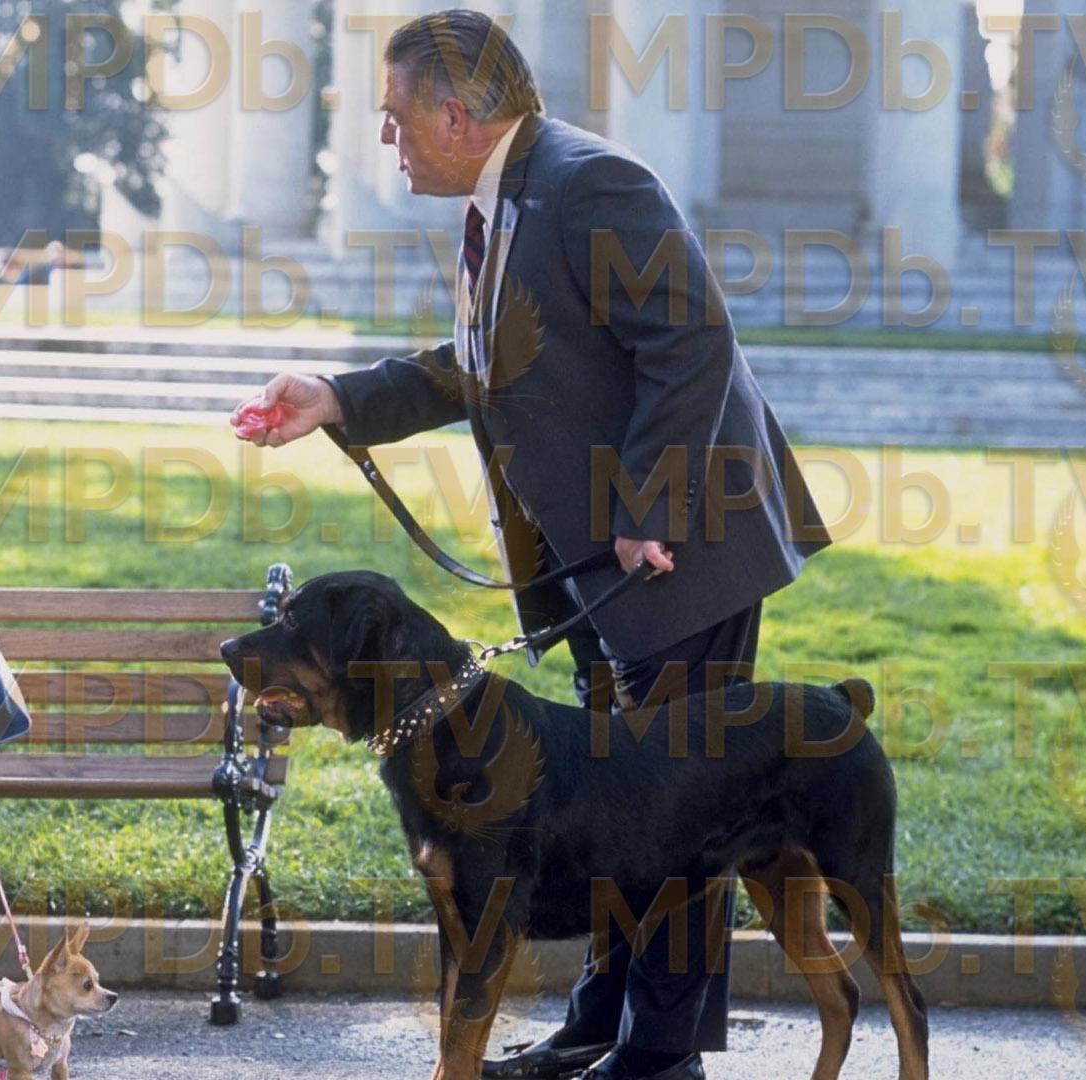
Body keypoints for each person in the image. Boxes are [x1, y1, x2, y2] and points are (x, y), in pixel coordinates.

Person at [234, 12, 827, 1080]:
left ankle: (660, 1058)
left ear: (457, 115)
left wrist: (649, 503)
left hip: (678, 552)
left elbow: (693, 339)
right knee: (619, 808)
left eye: (395, 115)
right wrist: (337, 397)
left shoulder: (594, 185)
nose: (385, 136)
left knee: (675, 810)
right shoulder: (509, 196)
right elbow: (480, 364)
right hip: (602, 567)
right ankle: (599, 1027)